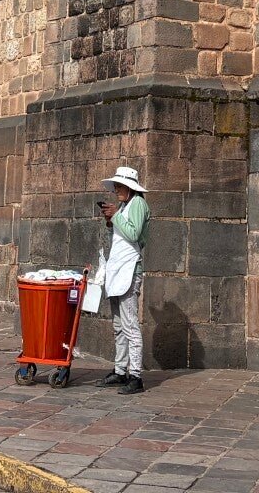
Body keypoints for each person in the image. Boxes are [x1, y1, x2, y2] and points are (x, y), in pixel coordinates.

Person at [96, 165, 150, 395]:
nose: (116, 190)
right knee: (119, 326)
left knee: (130, 325)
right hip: (119, 269)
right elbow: (119, 236)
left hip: (129, 270)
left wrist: (115, 216)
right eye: (116, 186)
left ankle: (135, 375)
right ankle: (120, 370)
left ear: (129, 188)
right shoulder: (126, 205)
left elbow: (134, 234)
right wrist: (111, 221)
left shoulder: (138, 204)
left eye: (119, 186)